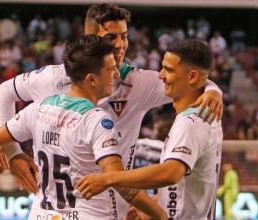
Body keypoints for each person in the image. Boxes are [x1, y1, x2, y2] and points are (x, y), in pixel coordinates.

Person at [0, 4, 223, 219]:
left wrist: (213, 91)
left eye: (124, 36)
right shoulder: (54, 78)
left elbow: (190, 80)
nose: (120, 45)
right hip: (75, 209)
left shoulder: (137, 82)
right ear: (90, 40)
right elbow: (3, 93)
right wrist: (13, 153)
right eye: (111, 37)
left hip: (97, 209)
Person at [0, 35, 167, 220]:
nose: (117, 75)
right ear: (91, 79)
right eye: (111, 70)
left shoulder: (39, 108)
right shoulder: (97, 121)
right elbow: (119, 182)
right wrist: (160, 215)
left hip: (42, 215)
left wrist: (14, 154)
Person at [77, 39, 224, 220]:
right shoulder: (204, 115)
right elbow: (186, 187)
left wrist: (108, 178)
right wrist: (155, 204)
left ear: (192, 77)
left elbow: (171, 173)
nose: (161, 75)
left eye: (168, 70)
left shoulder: (190, 122)